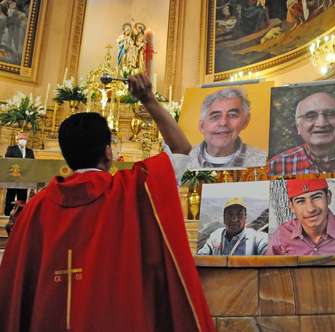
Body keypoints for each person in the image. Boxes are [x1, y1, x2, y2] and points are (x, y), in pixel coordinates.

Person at [0, 74, 215, 332]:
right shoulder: (133, 189)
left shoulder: (36, 207)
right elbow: (181, 149)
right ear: (108, 151)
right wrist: (148, 99)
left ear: (67, 157)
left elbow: (15, 286)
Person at [268, 91, 335, 176]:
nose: (321, 123)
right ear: (298, 127)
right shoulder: (276, 166)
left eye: (330, 114)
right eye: (310, 116)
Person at [188, 87, 267, 168]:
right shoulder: (184, 161)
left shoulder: (264, 163)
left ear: (245, 122)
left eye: (232, 115)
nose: (223, 123)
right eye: (215, 116)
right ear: (202, 126)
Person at [266, 178, 335, 255]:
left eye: (316, 197)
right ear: (292, 207)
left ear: (328, 197)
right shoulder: (282, 234)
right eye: (300, 201)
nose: (310, 209)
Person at [198, 197, 268, 255]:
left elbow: (265, 247)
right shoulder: (216, 235)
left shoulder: (255, 237)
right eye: (230, 214)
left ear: (245, 218)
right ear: (224, 218)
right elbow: (202, 254)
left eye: (239, 214)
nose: (234, 219)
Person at [3, 131, 34, 216]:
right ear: (18, 140)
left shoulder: (30, 151)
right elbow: (7, 161)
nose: (23, 140)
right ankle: (7, 213)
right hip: (13, 176)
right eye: (21, 139)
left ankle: (20, 214)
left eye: (24, 139)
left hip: (24, 178)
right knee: (10, 195)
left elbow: (32, 163)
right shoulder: (11, 149)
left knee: (22, 196)